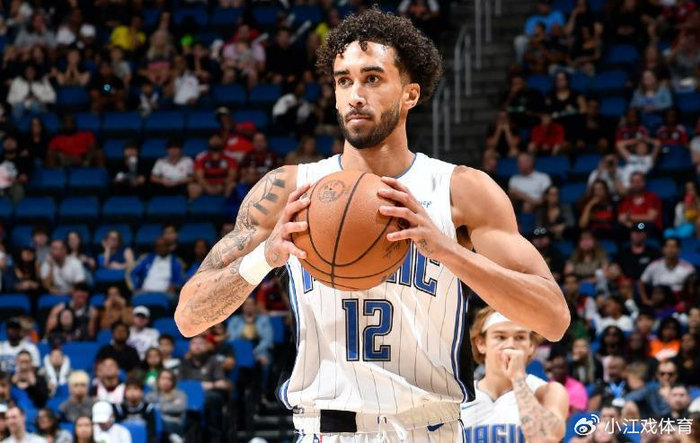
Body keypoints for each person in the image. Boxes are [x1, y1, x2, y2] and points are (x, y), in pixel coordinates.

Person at [175, 9, 570, 442]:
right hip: (324, 430)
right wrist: (264, 257)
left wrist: (447, 250)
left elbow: (553, 319)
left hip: (429, 430)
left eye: (373, 78)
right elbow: (189, 318)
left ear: (410, 94)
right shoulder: (289, 189)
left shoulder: (460, 191)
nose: (355, 95)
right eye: (344, 81)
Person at [461, 307, 568, 442]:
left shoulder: (548, 391)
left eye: (520, 337)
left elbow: (546, 438)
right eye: (500, 337)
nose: (510, 345)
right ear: (481, 344)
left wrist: (517, 378)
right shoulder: (459, 398)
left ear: (531, 346)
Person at [178, 335, 231, 439]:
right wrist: (198, 387)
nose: (197, 346)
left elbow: (221, 382)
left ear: (206, 346)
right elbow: (180, 384)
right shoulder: (184, 363)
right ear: (189, 347)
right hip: (189, 396)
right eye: (194, 343)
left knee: (210, 398)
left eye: (201, 343)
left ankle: (212, 436)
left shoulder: (213, 361)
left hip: (209, 396)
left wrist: (211, 385)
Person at [639, 238, 695, 304]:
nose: (670, 250)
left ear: (679, 250)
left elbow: (693, 288)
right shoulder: (654, 265)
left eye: (673, 247)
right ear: (663, 249)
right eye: (668, 247)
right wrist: (645, 300)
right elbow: (642, 282)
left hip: (679, 303)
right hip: (658, 303)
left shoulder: (688, 268)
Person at [144, 369, 186, 443]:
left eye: (169, 379)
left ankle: (173, 437)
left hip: (173, 424)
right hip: (155, 424)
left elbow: (179, 408)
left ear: (173, 382)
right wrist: (169, 405)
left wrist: (157, 406)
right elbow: (146, 407)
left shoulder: (180, 394)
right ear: (158, 380)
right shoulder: (151, 395)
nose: (166, 382)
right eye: (163, 378)